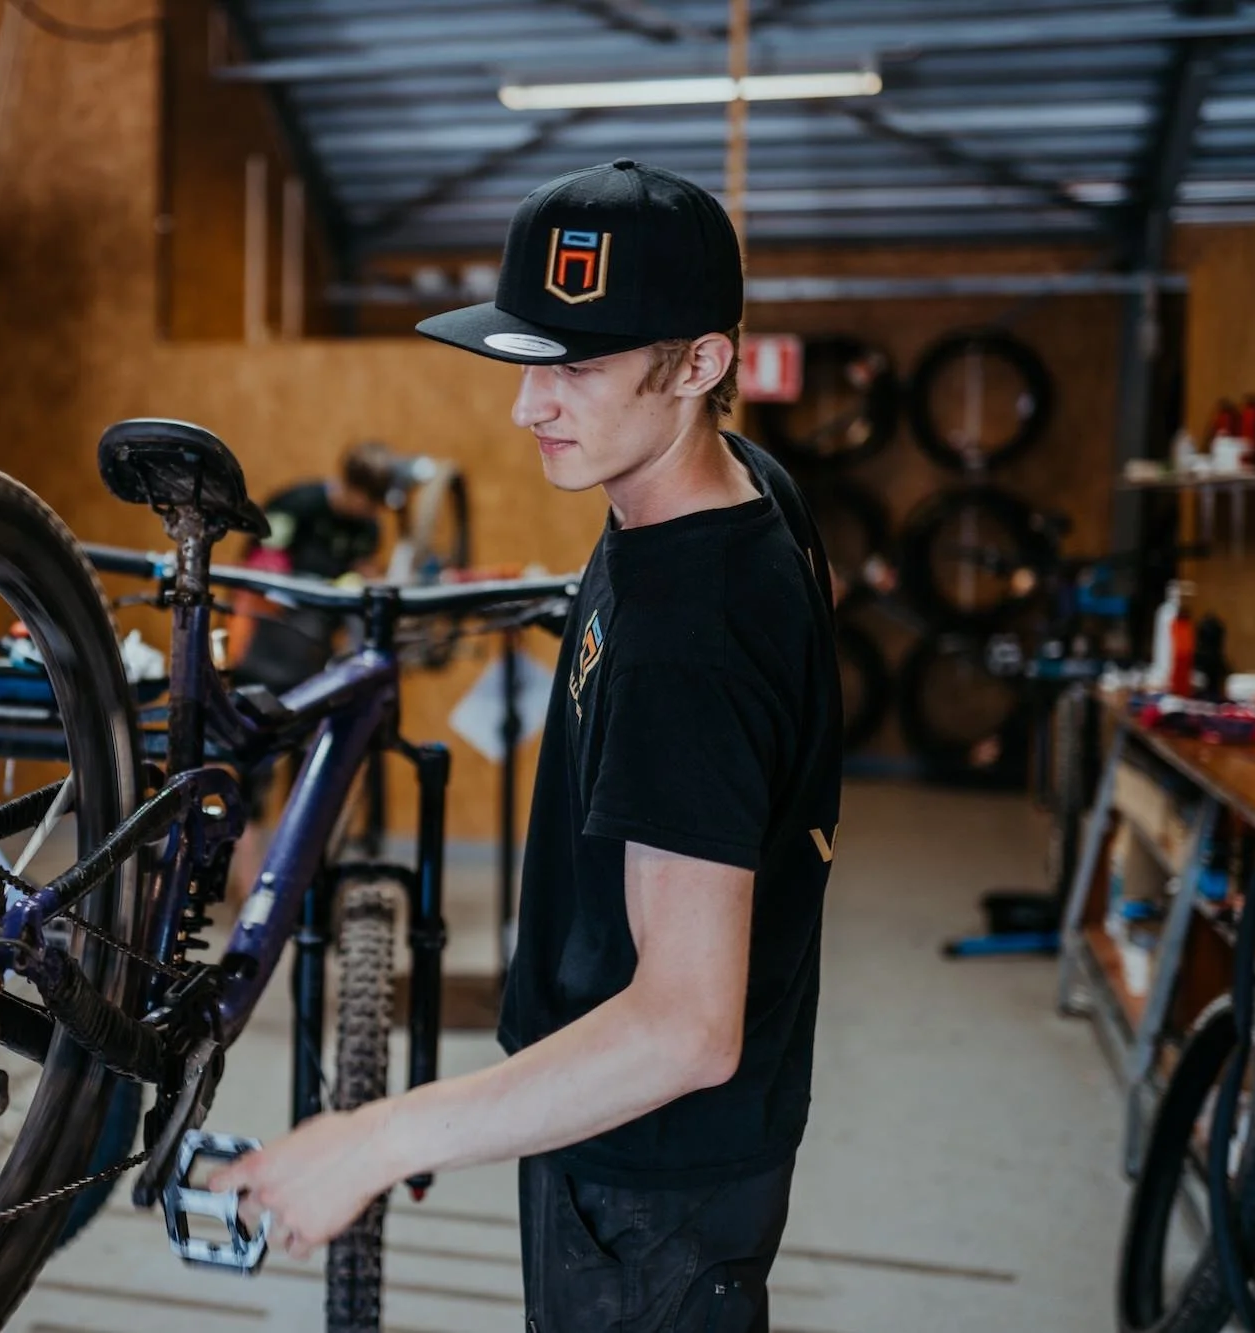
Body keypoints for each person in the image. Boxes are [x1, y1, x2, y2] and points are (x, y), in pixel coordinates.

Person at [215, 161, 843, 1333]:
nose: (529, 407)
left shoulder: (687, 641)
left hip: (647, 1184)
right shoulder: (729, 488)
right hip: (640, 1147)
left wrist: (372, 1137)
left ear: (702, 363)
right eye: (526, 359)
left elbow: (681, 1026)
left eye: (580, 366)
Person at [232, 441, 396, 694]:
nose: (372, 511)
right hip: (269, 620)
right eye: (369, 502)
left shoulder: (368, 527)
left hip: (320, 630)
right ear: (351, 486)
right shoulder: (297, 504)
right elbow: (264, 562)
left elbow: (364, 571)